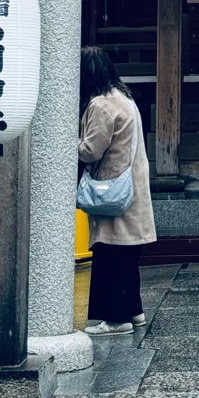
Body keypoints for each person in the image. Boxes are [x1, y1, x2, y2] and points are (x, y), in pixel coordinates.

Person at [79, 46, 156, 335]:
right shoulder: (124, 98)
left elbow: (90, 150)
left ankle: (116, 319)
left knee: (109, 256)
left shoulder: (101, 105)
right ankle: (134, 311)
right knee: (126, 258)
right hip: (131, 188)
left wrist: (66, 142)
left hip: (112, 189)